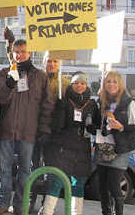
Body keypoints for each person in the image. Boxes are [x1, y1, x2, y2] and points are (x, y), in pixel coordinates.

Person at [0, 39, 54, 215]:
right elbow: (0, 99)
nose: (19, 55)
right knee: (3, 168)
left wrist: (44, 128)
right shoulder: (5, 73)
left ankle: (20, 204)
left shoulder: (40, 76)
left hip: (29, 131)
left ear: (29, 53)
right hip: (7, 128)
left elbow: (47, 104)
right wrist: (9, 84)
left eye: (23, 51)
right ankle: (3, 202)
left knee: (25, 170)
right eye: (16, 52)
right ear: (12, 53)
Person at [40, 71, 100, 215]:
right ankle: (47, 211)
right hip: (65, 145)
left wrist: (93, 127)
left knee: (78, 183)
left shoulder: (91, 104)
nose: (79, 86)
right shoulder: (64, 101)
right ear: (71, 85)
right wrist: (59, 111)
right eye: (76, 83)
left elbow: (98, 125)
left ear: (86, 85)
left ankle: (75, 212)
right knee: (57, 180)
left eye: (82, 83)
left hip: (82, 146)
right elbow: (56, 125)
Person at [29, 52, 70, 213]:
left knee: (50, 170)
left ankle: (46, 203)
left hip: (54, 134)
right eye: (49, 61)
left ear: (59, 63)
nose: (51, 64)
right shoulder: (38, 78)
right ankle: (30, 200)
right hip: (34, 130)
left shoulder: (65, 83)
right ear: (44, 62)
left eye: (55, 61)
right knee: (31, 168)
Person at [95, 70, 135, 215]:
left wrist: (121, 127)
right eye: (108, 82)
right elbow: (97, 122)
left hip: (119, 149)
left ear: (120, 84)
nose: (111, 84)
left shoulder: (128, 101)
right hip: (102, 147)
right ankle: (106, 212)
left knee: (114, 186)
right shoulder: (101, 100)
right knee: (102, 187)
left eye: (114, 82)